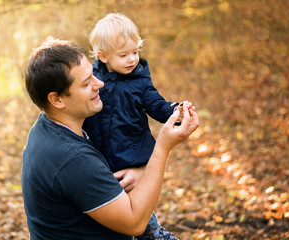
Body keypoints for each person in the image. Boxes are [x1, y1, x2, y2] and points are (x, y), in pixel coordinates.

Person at [22, 38, 199, 240]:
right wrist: (163, 146)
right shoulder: (71, 158)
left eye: (93, 74)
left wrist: (141, 171)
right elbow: (135, 223)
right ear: (57, 99)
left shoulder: (48, 127)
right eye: (87, 83)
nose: (100, 84)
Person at [83, 13, 194, 239]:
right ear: (103, 56)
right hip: (100, 160)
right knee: (111, 210)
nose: (132, 59)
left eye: (135, 52)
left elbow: (157, 105)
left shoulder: (140, 82)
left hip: (131, 158)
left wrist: (176, 110)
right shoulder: (93, 80)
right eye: (123, 55)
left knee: (137, 204)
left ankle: (154, 232)